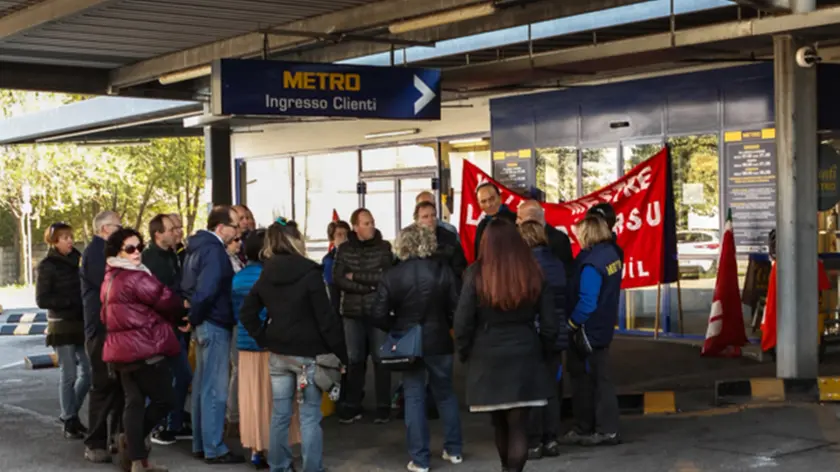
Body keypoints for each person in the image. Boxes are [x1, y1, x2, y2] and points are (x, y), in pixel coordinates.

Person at [240, 219, 347, 472]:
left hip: (278, 353)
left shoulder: (267, 273)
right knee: (309, 416)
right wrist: (341, 354)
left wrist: (264, 337)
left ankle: (279, 466)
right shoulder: (310, 273)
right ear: (296, 242)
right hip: (310, 355)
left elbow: (247, 313)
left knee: (280, 414)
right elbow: (326, 319)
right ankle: (312, 468)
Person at [454, 219, 557, 472]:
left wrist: (466, 352)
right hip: (525, 351)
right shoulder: (533, 271)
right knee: (519, 426)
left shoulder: (476, 273)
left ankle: (505, 469)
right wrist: (544, 351)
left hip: (487, 354)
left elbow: (463, 322)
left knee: (499, 424)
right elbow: (550, 323)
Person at [371, 224, 463, 472]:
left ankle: (420, 460)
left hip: (407, 342)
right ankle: (454, 450)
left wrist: (397, 326)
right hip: (440, 339)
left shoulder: (392, 275)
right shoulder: (443, 270)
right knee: (445, 394)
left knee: (413, 398)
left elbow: (377, 314)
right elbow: (457, 307)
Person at [101, 227, 184, 472]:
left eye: (139, 246)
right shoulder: (136, 277)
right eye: (130, 248)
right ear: (118, 251)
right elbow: (167, 299)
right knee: (166, 399)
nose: (137, 252)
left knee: (134, 403)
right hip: (143, 350)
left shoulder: (111, 276)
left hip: (120, 351)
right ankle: (132, 442)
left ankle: (137, 460)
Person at [180, 205, 245, 464]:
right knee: (215, 389)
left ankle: (201, 443)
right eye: (234, 226)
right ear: (220, 228)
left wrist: (193, 318)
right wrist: (196, 316)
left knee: (201, 387)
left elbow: (188, 287)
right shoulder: (215, 252)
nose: (237, 231)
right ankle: (214, 447)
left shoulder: (195, 249)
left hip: (204, 323)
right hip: (214, 322)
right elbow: (206, 291)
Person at [563, 215, 622, 447]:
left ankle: (597, 429)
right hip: (603, 327)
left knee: (587, 381)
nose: (577, 237)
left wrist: (571, 325)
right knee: (601, 379)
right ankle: (604, 428)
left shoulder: (591, 264)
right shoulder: (611, 255)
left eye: (579, 233)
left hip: (587, 331)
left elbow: (587, 302)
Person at [333, 208, 395, 424]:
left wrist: (357, 277)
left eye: (372, 222)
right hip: (351, 313)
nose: (371, 226)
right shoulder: (344, 249)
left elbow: (386, 276)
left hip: (377, 312)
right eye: (366, 223)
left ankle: (383, 406)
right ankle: (352, 405)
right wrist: (368, 287)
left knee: (381, 360)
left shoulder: (384, 247)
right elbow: (339, 279)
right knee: (354, 359)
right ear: (356, 227)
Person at [232, 229, 285, 470]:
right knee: (274, 399)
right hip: (270, 343)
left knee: (252, 399)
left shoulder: (238, 277)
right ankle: (276, 448)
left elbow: (237, 313)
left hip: (244, 344)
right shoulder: (270, 276)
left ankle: (255, 449)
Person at [518, 221, 568, 460]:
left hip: (535, 333)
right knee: (551, 390)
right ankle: (551, 439)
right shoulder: (557, 262)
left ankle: (534, 442)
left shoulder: (527, 267)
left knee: (533, 391)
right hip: (556, 332)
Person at [37, 222, 91, 440]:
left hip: (80, 322)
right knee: (68, 373)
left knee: (88, 372)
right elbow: (42, 299)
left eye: (70, 236)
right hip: (60, 324)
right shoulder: (47, 265)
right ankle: (69, 418)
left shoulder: (79, 260)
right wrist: (70, 301)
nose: (69, 241)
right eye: (64, 238)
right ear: (54, 241)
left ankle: (71, 413)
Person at [143, 214, 193, 446]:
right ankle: (158, 424)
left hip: (174, 324)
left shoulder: (173, 255)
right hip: (159, 328)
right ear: (158, 234)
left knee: (180, 375)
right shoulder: (150, 260)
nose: (178, 232)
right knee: (163, 376)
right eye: (172, 229)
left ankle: (172, 422)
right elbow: (160, 295)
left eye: (178, 228)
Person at [81, 211, 123, 462]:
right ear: (105, 229)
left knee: (119, 385)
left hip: (110, 328)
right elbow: (110, 286)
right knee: (103, 386)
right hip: (101, 329)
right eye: (119, 226)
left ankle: (116, 437)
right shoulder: (97, 254)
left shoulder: (104, 252)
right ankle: (96, 441)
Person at [516, 200, 573, 273]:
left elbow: (567, 271)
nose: (517, 222)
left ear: (530, 219)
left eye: (520, 218)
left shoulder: (559, 239)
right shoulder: (518, 237)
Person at [414, 201, 466, 280]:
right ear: (417, 221)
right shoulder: (410, 241)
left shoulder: (450, 239)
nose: (430, 219)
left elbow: (460, 270)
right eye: (425, 217)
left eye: (433, 215)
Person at [473, 183, 516, 257]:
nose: (489, 204)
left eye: (492, 199)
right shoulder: (482, 226)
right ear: (479, 204)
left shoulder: (516, 220)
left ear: (500, 198)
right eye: (483, 201)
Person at [322, 220, 350, 313]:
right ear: (332, 239)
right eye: (339, 235)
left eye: (346, 234)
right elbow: (333, 292)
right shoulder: (329, 261)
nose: (344, 238)